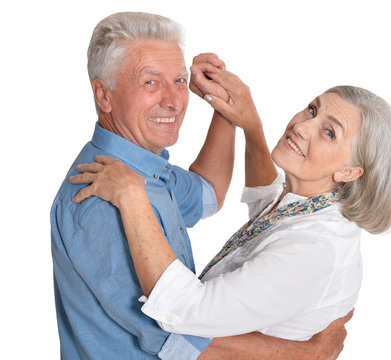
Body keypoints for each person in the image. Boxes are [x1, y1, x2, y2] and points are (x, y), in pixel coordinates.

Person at [51, 11, 352, 360]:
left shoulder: (141, 170)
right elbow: (171, 334)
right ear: (104, 96)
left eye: (179, 80)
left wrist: (221, 105)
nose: (174, 101)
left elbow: (208, 191)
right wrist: (307, 354)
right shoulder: (101, 199)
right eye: (150, 82)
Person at [70, 57, 391, 347]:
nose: (302, 126)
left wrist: (132, 197)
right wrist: (248, 122)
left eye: (329, 132)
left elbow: (182, 312)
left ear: (349, 171)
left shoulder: (315, 250)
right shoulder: (308, 203)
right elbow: (267, 205)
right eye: (312, 109)